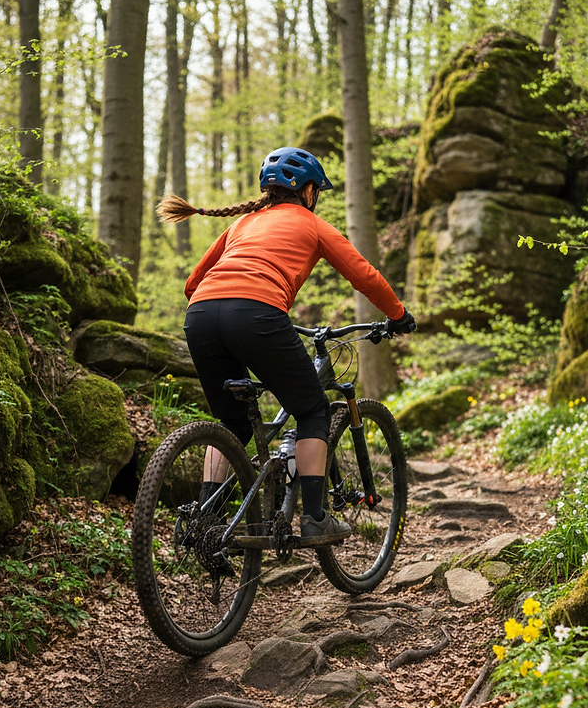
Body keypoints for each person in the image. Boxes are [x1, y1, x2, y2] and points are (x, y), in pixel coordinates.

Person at [157, 145, 416, 546]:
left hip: (201, 315)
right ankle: (314, 518)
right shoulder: (312, 224)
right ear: (308, 191)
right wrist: (398, 315)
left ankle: (207, 519)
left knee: (233, 423)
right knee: (312, 410)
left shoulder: (242, 224)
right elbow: (364, 275)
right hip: (257, 314)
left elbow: (193, 284)